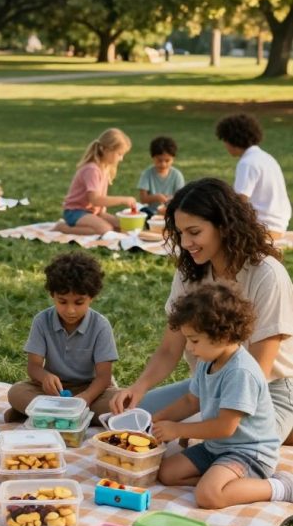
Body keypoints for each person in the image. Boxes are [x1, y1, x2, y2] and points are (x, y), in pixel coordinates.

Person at [110, 178, 293, 443]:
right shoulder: (190, 273)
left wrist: (199, 423)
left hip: (268, 390)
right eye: (180, 233)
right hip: (205, 388)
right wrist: (138, 388)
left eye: (194, 232)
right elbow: (169, 349)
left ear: (224, 226)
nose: (185, 243)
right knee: (135, 415)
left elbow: (259, 370)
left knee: (209, 443)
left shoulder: (266, 275)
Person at [153, 283, 293, 507]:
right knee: (167, 473)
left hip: (249, 452)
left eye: (194, 340)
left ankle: (280, 487)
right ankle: (225, 482)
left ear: (223, 336)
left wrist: (178, 429)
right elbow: (191, 401)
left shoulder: (240, 372)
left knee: (208, 497)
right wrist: (158, 418)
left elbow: (225, 427)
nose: (188, 347)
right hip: (217, 447)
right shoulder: (207, 360)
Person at [5, 252, 119, 423]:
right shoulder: (42, 321)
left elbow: (104, 377)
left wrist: (85, 398)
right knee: (16, 392)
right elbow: (33, 367)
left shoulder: (100, 325)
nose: (70, 310)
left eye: (79, 303)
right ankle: (71, 417)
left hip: (89, 390)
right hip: (52, 391)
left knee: (119, 400)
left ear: (92, 297)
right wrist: (45, 377)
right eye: (62, 302)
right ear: (52, 295)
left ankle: (40, 414)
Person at [216, 113, 291, 235]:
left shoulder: (247, 163)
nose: (225, 145)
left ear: (232, 139)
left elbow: (240, 201)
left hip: (263, 227)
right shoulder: (266, 157)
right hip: (279, 224)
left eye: (224, 140)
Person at [54, 128, 135, 236]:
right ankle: (63, 228)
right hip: (75, 212)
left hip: (93, 212)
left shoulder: (105, 168)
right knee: (105, 230)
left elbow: (99, 200)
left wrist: (102, 213)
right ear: (105, 150)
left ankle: (94, 223)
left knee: (123, 226)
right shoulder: (92, 170)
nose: (121, 159)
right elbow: (95, 199)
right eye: (119, 154)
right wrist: (122, 200)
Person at [138, 135, 185, 217]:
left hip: (171, 213)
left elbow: (181, 198)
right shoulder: (147, 174)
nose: (163, 164)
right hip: (152, 213)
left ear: (173, 158)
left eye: (167, 160)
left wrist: (170, 199)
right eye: (159, 160)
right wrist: (156, 197)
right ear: (153, 157)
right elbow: (143, 199)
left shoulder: (177, 175)